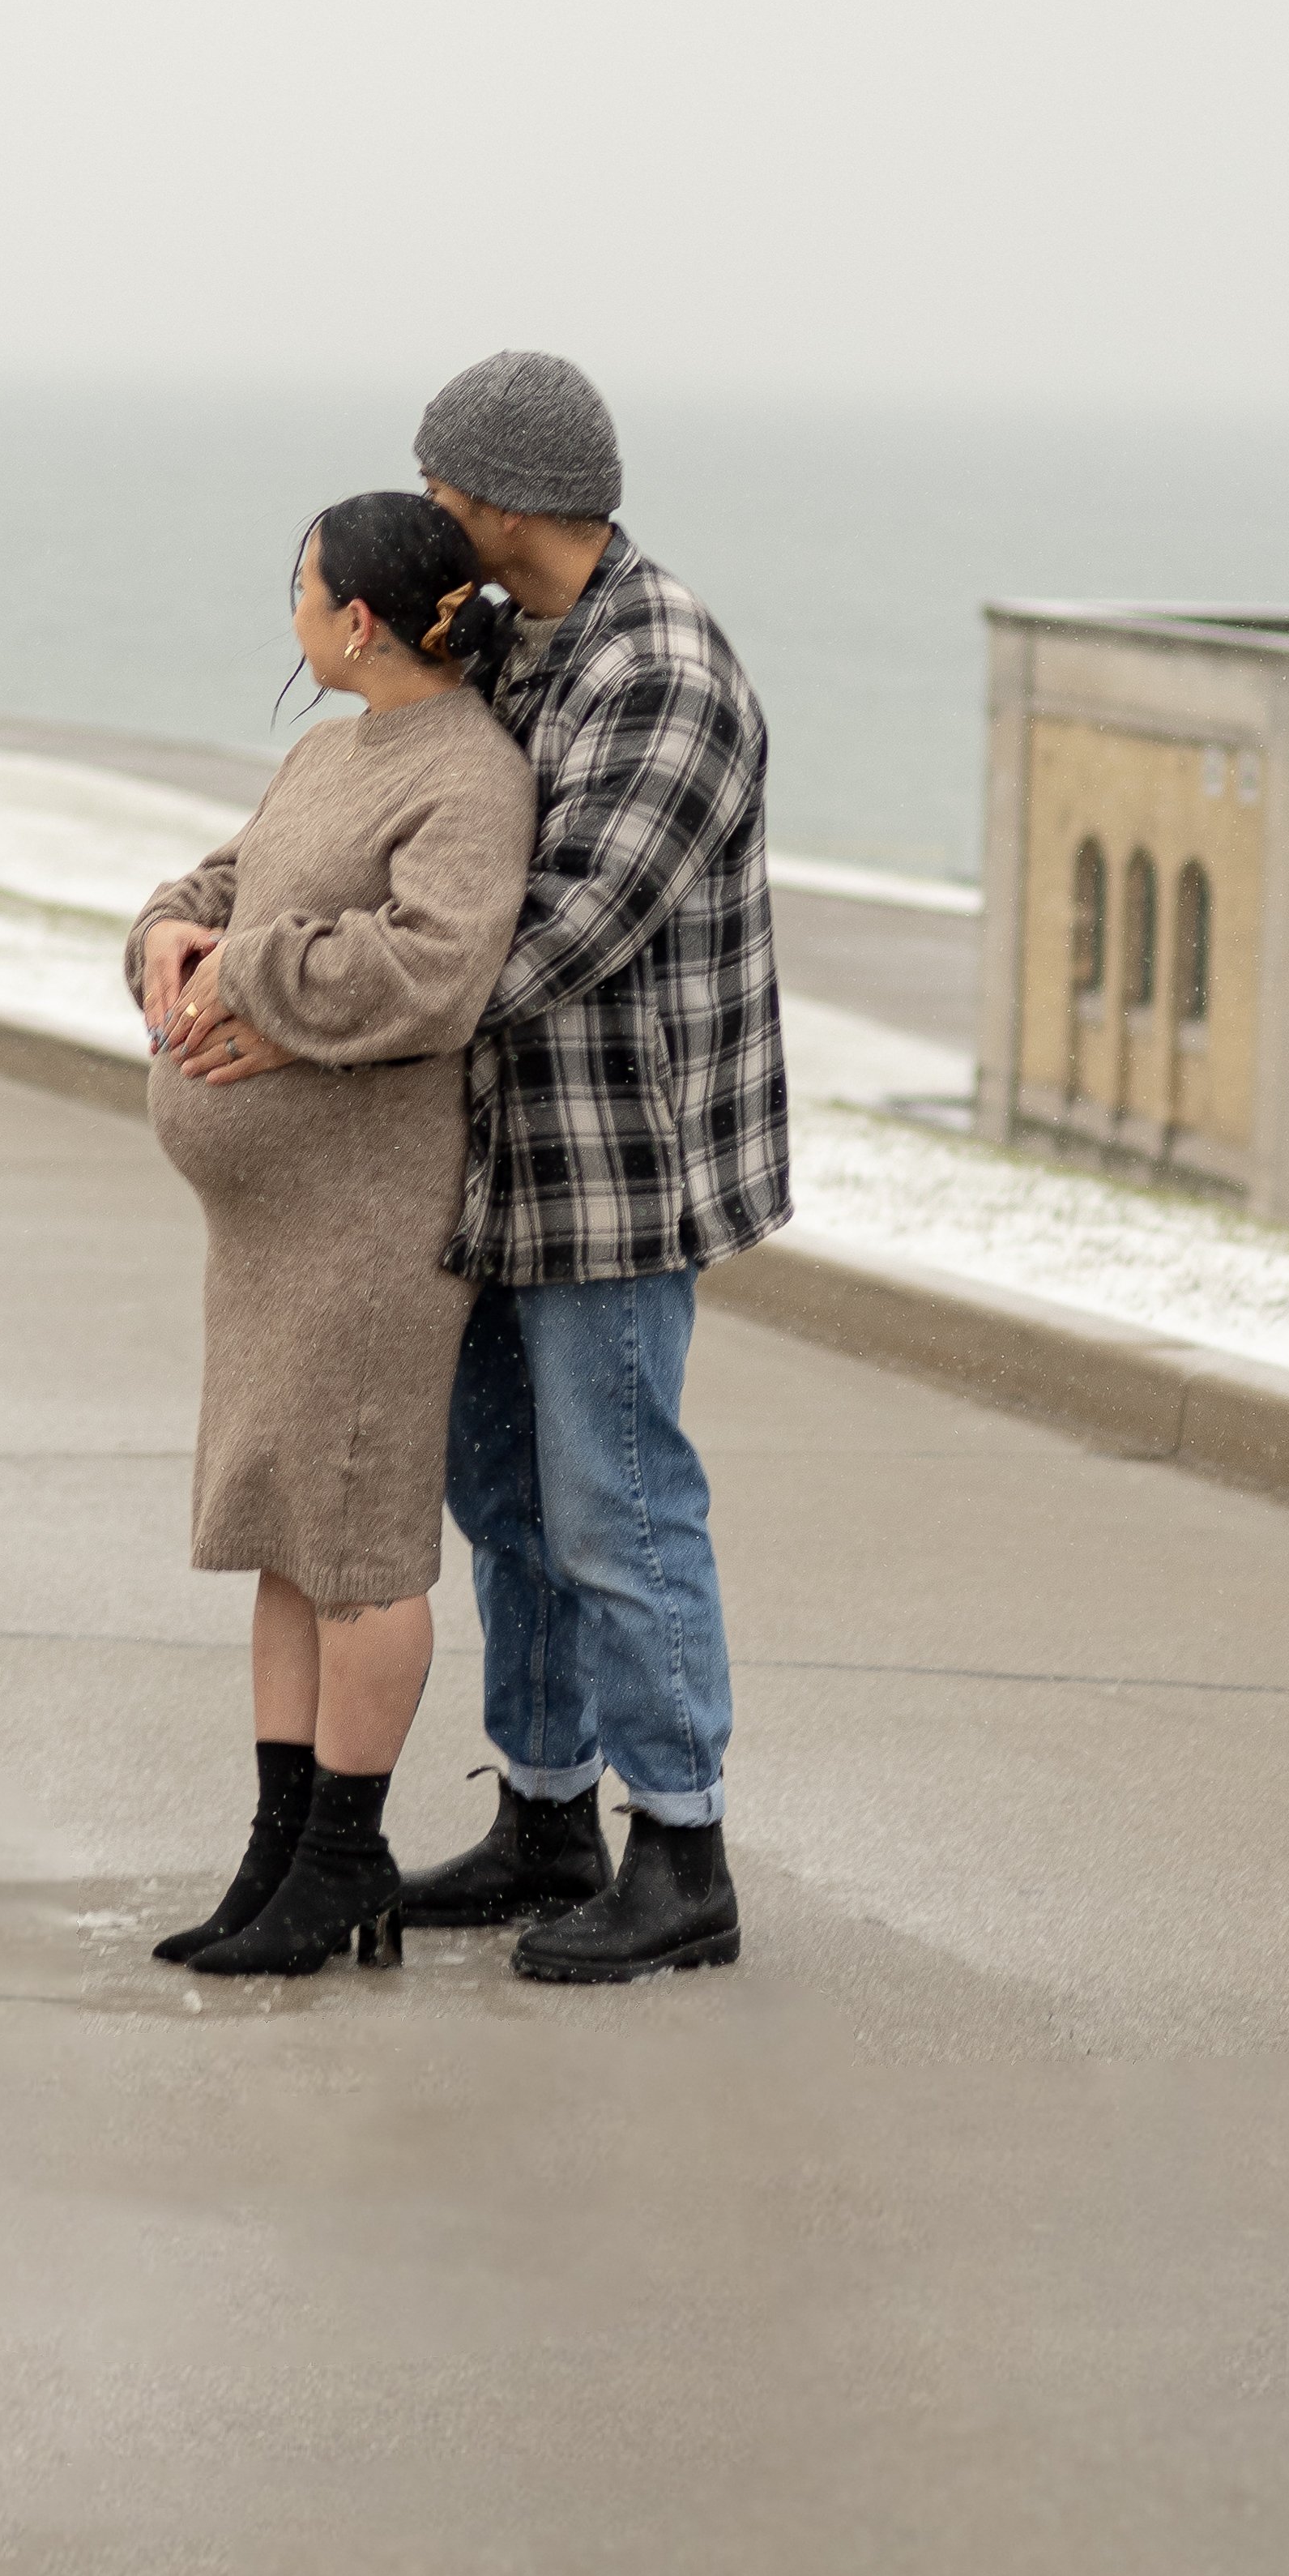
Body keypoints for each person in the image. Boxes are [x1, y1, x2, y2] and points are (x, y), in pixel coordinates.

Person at [399, 348, 790, 1980]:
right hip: (496, 1160)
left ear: (503, 496)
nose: (422, 513)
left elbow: (560, 933)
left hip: (615, 1169)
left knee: (617, 1505)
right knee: (503, 1499)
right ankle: (549, 1812)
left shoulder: (666, 667)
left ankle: (681, 1849)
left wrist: (332, 1005)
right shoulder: (500, 641)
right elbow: (406, 814)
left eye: (437, 489)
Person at [126, 492, 534, 1979]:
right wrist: (168, 936)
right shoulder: (327, 750)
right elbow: (224, 885)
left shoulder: (467, 778)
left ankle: (346, 1862)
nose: (289, 610)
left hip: (366, 1223)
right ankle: (277, 1849)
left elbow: (434, 970)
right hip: (270, 1233)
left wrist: (251, 974)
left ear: (353, 619)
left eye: (298, 587)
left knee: (358, 1545)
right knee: (286, 1536)